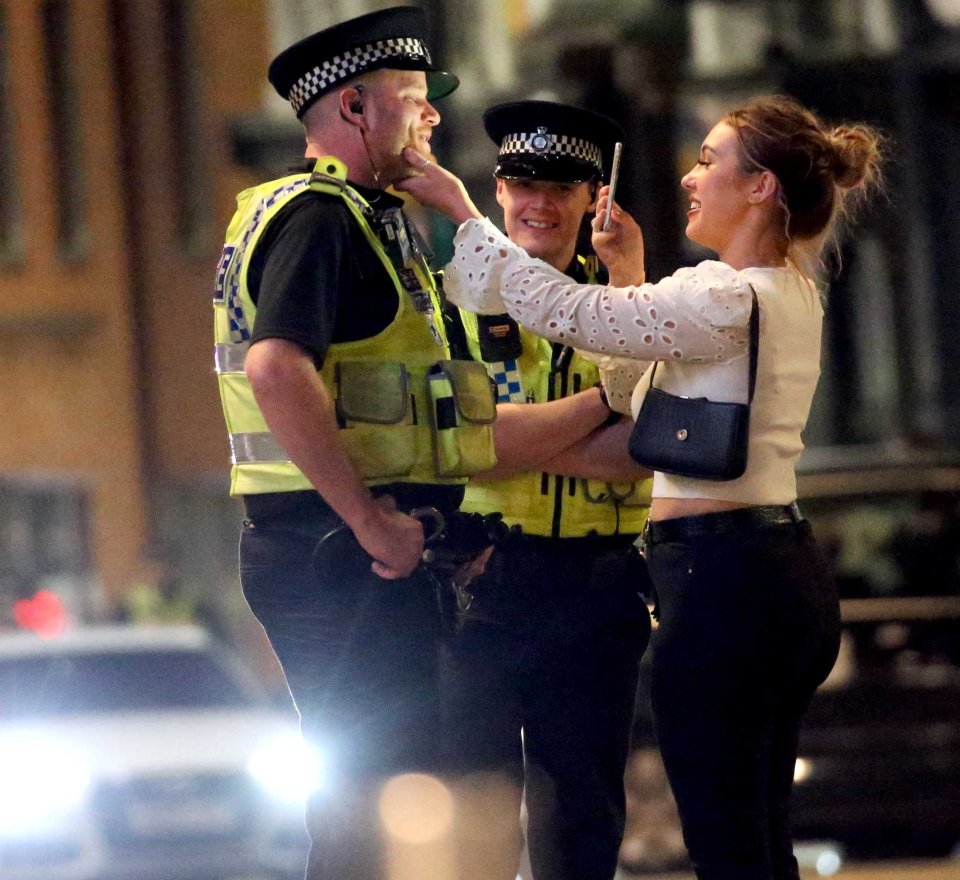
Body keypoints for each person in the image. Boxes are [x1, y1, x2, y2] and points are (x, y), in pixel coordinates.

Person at [397, 94, 883, 880]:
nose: (692, 178)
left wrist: (462, 212)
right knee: (754, 837)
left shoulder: (722, 294)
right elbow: (632, 388)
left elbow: (568, 312)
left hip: (721, 580)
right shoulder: (782, 290)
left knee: (725, 839)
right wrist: (628, 270)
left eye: (709, 161)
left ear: (760, 188)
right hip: (771, 569)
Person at [211, 8, 498, 880]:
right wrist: (371, 522)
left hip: (333, 550)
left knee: (378, 795)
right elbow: (274, 369)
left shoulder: (360, 217)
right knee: (373, 798)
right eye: (413, 100)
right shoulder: (324, 220)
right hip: (340, 555)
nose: (430, 120)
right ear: (356, 110)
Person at [436, 101, 653, 880]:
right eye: (522, 181)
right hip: (483, 584)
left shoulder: (630, 306)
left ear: (594, 198)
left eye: (562, 186)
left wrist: (524, 435)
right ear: (496, 190)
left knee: (582, 821)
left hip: (597, 590)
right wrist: (604, 403)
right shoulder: (454, 303)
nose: (539, 203)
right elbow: (471, 449)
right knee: (476, 817)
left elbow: (646, 449)